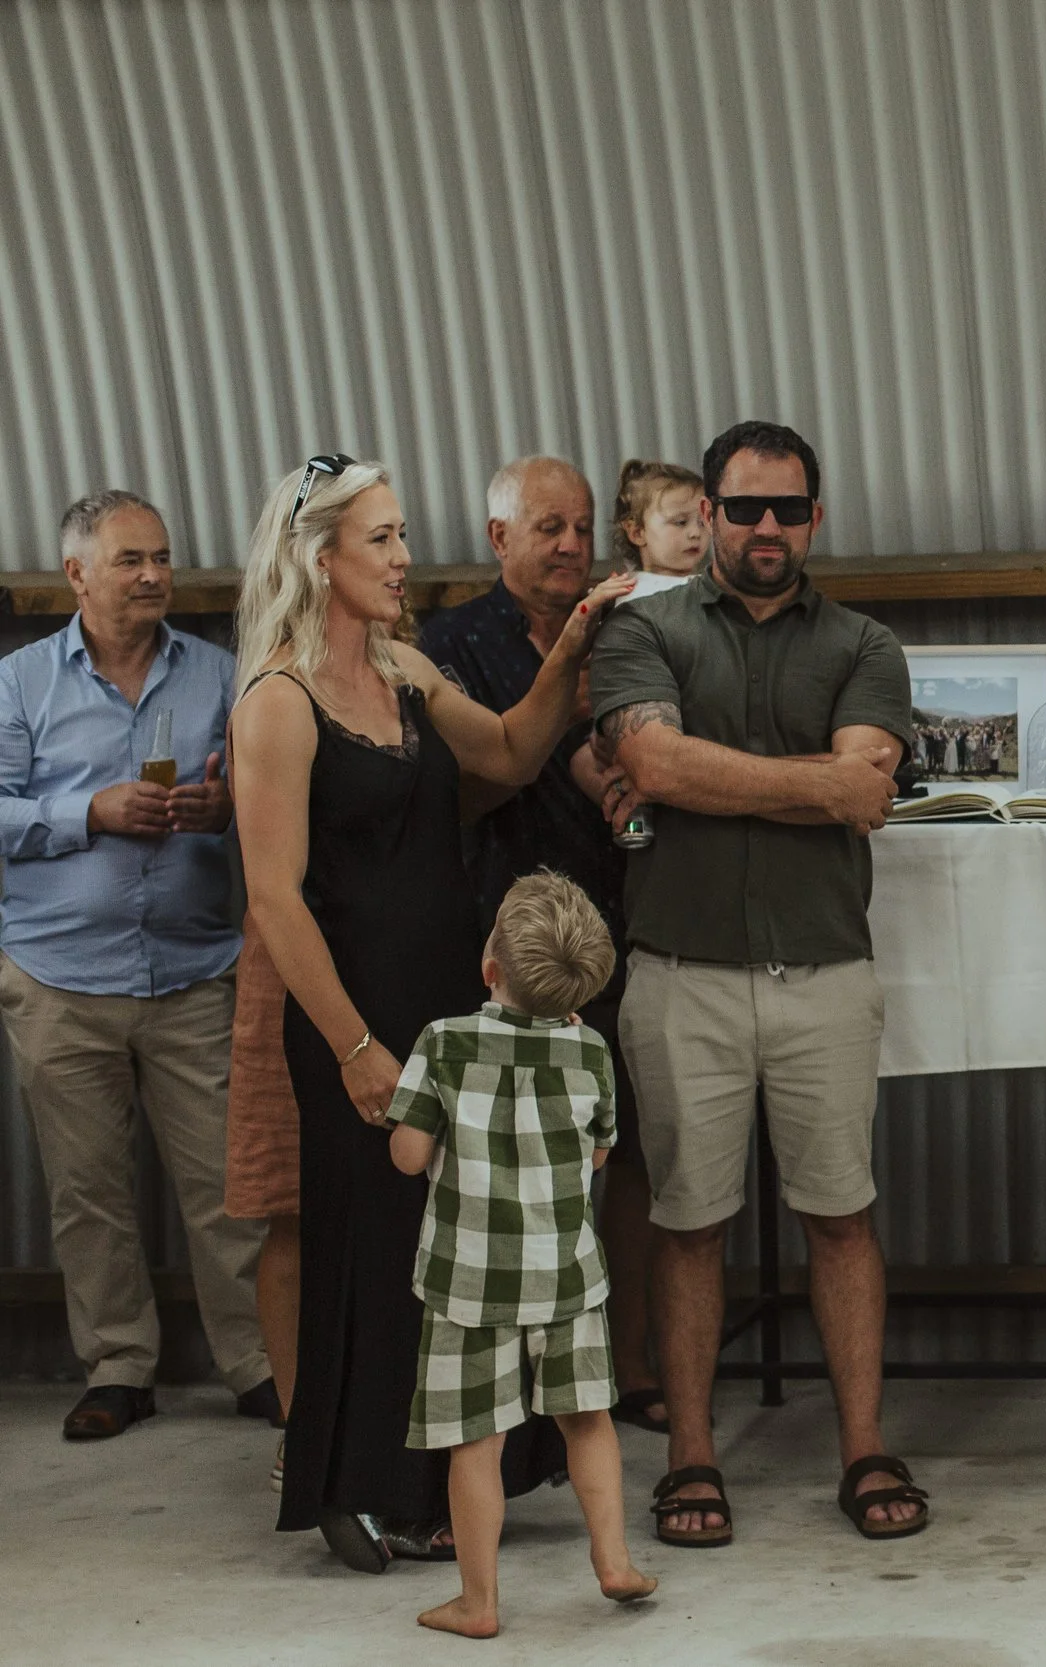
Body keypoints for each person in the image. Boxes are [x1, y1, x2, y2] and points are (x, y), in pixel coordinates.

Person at [229, 454, 633, 1570]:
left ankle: (439, 1481)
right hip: (353, 1007)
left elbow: (509, 749)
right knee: (367, 1241)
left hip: (445, 994)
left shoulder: (403, 669)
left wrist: (570, 647)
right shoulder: (278, 700)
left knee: (450, 1241)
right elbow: (275, 898)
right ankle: (351, 1482)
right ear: (320, 558)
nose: (405, 557)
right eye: (382, 539)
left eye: (402, 534)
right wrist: (355, 1046)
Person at [589, 419, 925, 1548]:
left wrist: (703, 778)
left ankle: (864, 1446)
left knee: (842, 1215)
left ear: (814, 518)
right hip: (680, 973)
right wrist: (811, 783)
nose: (765, 526)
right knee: (687, 1222)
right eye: (743, 508)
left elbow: (867, 782)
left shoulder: (867, 644)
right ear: (710, 514)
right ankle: (691, 1454)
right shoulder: (643, 629)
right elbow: (651, 758)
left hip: (824, 972)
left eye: (786, 508)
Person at [0, 490, 275, 1441]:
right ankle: (119, 1366)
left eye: (161, 556)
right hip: (57, 978)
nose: (154, 574)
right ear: (76, 573)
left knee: (230, 1188)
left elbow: (268, 790)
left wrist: (224, 809)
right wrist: (90, 812)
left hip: (193, 971)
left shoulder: (223, 675)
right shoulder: (20, 682)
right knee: (88, 1192)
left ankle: (258, 1362)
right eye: (130, 560)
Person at [420, 456, 669, 1437]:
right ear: (499, 538)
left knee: (630, 1154)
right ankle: (511, 1389)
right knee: (509, 1172)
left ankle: (629, 1362)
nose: (571, 546)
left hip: (631, 929)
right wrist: (553, 714)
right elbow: (454, 796)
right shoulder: (452, 645)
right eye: (547, 528)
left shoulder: (632, 627)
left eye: (581, 527)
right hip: (504, 950)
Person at [385, 872, 659, 1637]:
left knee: (477, 1441)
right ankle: (614, 1560)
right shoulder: (591, 1052)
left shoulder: (443, 1043)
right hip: (566, 1275)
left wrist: (407, 1121)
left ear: (489, 965)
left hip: (468, 1282)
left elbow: (409, 1156)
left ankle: (478, 1601)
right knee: (588, 1420)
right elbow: (599, 1155)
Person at [225, 917, 300, 1492]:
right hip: (287, 961)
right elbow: (272, 895)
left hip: (414, 947)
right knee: (291, 1208)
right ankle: (300, 1425)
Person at [612, 459, 706, 577]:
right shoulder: (628, 587)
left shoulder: (714, 584)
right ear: (638, 533)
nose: (696, 533)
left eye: (703, 523)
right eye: (681, 522)